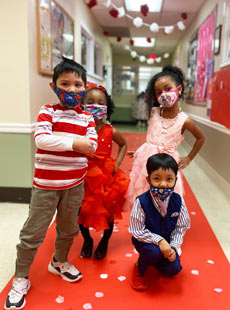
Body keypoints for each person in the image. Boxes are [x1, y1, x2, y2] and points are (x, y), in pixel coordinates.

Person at [4, 57, 98, 310]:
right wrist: (74, 144)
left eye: (77, 84)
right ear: (54, 86)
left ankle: (59, 261)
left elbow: (93, 145)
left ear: (85, 87)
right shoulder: (48, 111)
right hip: (46, 184)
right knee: (33, 232)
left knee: (68, 229)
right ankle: (21, 277)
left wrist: (78, 144)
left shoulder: (87, 118)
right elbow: (42, 140)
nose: (71, 89)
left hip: (75, 184)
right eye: (64, 83)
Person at [125, 65, 205, 208]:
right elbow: (152, 138)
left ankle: (163, 222)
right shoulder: (154, 112)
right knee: (145, 189)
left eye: (168, 89)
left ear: (179, 89)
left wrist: (189, 158)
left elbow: (201, 138)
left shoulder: (185, 120)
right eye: (158, 92)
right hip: (147, 160)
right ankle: (147, 219)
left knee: (165, 193)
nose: (163, 94)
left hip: (168, 163)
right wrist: (140, 152)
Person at [78, 83, 129, 260]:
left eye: (100, 102)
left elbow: (123, 145)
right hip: (83, 175)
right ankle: (87, 240)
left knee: (107, 213)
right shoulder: (79, 129)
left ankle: (105, 241)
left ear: (107, 107)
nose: (96, 106)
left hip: (105, 177)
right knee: (80, 213)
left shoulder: (110, 130)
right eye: (91, 102)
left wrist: (117, 163)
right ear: (83, 105)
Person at [129, 153, 190, 291]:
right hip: (145, 242)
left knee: (173, 270)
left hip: (169, 244)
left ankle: (156, 260)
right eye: (157, 178)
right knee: (153, 252)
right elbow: (136, 230)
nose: (163, 184)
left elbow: (181, 227)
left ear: (176, 179)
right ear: (148, 179)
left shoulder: (178, 201)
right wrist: (160, 241)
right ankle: (140, 268)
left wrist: (173, 247)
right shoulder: (141, 201)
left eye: (169, 179)